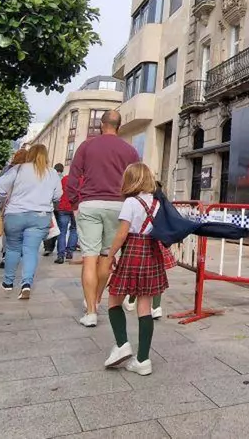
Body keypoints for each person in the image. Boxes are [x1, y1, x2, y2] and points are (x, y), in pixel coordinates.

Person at [66, 109, 140, 327]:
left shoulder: (86, 146)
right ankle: (97, 299)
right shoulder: (130, 150)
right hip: (118, 206)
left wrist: (75, 201)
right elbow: (135, 180)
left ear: (101, 124)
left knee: (89, 258)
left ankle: (90, 312)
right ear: (119, 126)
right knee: (107, 258)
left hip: (90, 204)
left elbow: (73, 176)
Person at [101, 162, 167, 376]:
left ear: (130, 180)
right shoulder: (157, 202)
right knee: (145, 305)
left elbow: (122, 233)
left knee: (114, 299)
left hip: (133, 251)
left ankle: (122, 344)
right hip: (152, 252)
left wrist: (110, 255)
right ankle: (143, 360)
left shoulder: (130, 202)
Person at [0, 144, 62, 300]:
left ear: (30, 154)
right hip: (40, 216)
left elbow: (0, 186)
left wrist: (4, 200)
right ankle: (26, 284)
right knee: (31, 251)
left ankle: (8, 282)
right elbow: (58, 195)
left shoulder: (18, 169)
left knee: (12, 249)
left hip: (15, 214)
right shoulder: (52, 173)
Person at [123, 180, 171, 319]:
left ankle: (131, 300)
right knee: (156, 277)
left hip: (141, 243)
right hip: (158, 242)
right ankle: (156, 307)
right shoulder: (161, 204)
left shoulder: (136, 202)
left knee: (138, 274)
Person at [0, 148, 30, 269]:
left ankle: (6, 256)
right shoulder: (30, 171)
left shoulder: (8, 169)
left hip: (9, 206)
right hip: (27, 207)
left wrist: (2, 201)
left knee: (8, 233)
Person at [53, 163, 78, 264]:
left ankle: (60, 255)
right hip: (76, 208)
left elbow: (59, 193)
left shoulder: (64, 179)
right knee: (74, 230)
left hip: (63, 207)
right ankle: (69, 252)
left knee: (62, 232)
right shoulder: (82, 180)